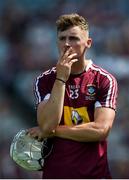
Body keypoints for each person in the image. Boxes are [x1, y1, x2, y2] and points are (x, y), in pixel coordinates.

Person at [28, 13, 118, 178]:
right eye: (62, 38)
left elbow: (101, 129)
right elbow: (47, 125)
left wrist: (54, 131)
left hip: (95, 175)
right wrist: (61, 78)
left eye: (74, 38)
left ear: (88, 43)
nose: (67, 44)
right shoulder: (44, 80)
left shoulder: (104, 80)